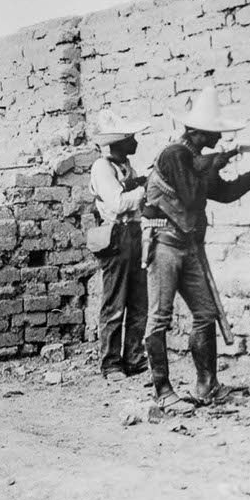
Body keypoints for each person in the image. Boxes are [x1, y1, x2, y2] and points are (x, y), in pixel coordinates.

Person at [141, 86, 250, 414]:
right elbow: (190, 196)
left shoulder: (195, 161)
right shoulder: (175, 155)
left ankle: (207, 386)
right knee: (158, 318)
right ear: (202, 132)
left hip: (188, 247)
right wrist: (221, 159)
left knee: (205, 314)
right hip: (164, 246)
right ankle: (162, 391)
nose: (221, 136)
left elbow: (226, 193)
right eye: (216, 132)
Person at [88, 109, 150, 381]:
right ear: (118, 142)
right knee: (115, 302)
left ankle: (134, 358)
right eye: (130, 138)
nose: (135, 142)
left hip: (134, 234)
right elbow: (118, 203)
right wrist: (144, 190)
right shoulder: (102, 168)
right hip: (116, 236)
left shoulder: (126, 168)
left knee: (138, 300)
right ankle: (111, 363)